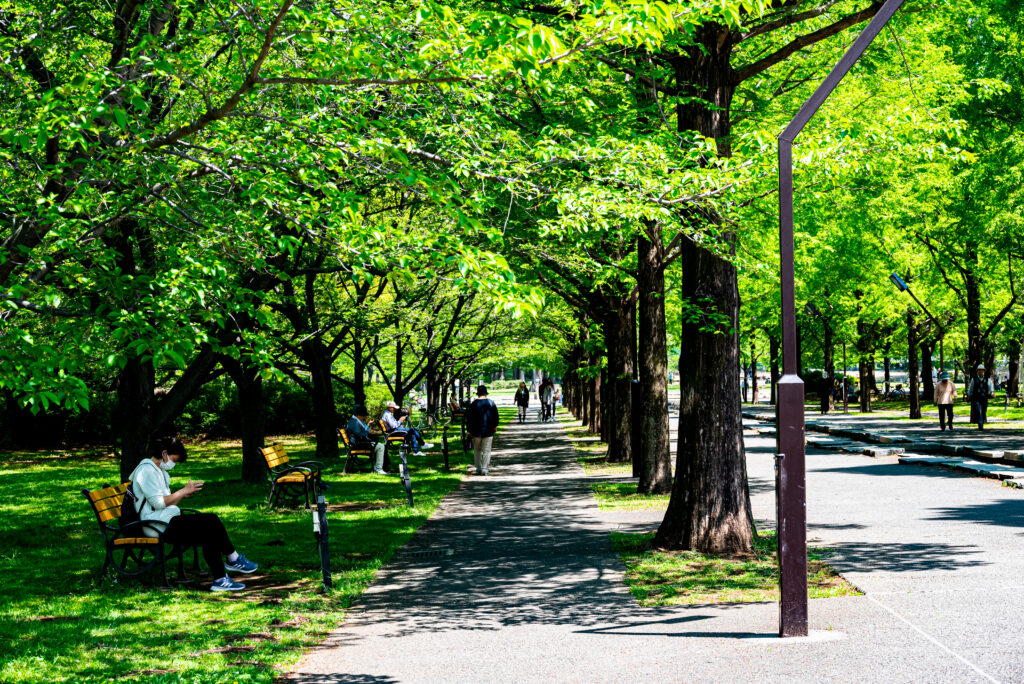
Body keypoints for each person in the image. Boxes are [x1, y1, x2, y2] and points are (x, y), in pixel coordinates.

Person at [129, 437, 258, 592]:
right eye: (174, 459)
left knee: (210, 526)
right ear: (164, 454)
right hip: (155, 526)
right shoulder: (147, 471)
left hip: (165, 520)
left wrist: (182, 494)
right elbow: (158, 503)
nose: (173, 464)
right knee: (210, 521)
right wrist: (183, 491)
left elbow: (165, 502)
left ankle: (222, 577)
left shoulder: (159, 471)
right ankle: (231, 562)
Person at [466, 385, 499, 475]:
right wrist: (495, 426)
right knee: (487, 450)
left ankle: (478, 468)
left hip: (476, 431)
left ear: (478, 393)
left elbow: (469, 418)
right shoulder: (491, 403)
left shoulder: (474, 404)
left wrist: (468, 429)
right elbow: (495, 416)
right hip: (488, 430)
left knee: (477, 450)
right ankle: (484, 468)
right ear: (486, 393)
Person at [347, 405, 387, 474]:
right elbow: (359, 435)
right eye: (363, 415)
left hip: (358, 442)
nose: (364, 417)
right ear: (359, 415)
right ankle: (378, 468)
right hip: (358, 444)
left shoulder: (354, 420)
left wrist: (367, 432)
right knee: (381, 446)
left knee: (380, 445)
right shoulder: (354, 422)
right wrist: (368, 432)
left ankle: (383, 466)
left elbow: (359, 433)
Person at [966, 364, 995, 430]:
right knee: (978, 411)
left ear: (984, 371)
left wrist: (992, 393)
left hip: (984, 397)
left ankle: (981, 422)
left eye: (982, 370)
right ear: (977, 371)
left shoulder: (987, 379)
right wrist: (969, 395)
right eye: (979, 370)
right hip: (976, 397)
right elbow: (971, 388)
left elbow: (991, 387)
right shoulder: (974, 379)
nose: (981, 371)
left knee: (984, 411)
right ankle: (980, 424)